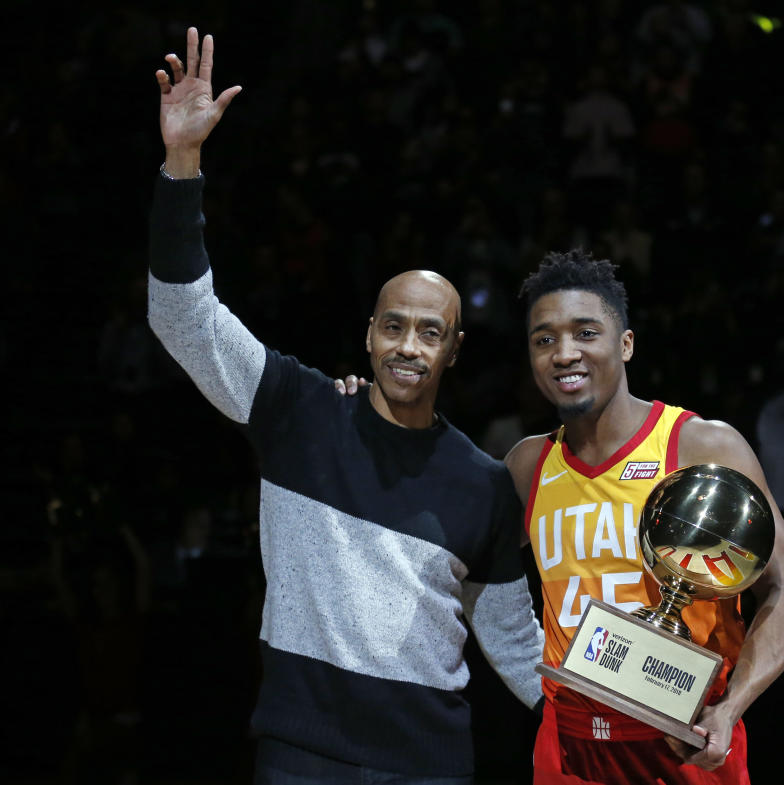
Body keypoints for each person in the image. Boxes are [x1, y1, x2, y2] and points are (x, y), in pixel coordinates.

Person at [147, 27, 544, 785]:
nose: (407, 345)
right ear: (368, 334)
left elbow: (516, 644)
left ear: (453, 352)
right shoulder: (300, 408)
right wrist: (183, 162)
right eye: (393, 325)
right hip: (302, 758)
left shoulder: (483, 482)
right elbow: (182, 318)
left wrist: (627, 723)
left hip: (429, 767)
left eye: (431, 332)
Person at [502, 250, 784, 785]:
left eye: (585, 333)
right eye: (544, 340)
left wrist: (732, 707)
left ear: (626, 344)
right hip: (569, 747)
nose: (564, 353)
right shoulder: (528, 464)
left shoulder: (701, 444)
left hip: (685, 744)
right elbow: (465, 574)